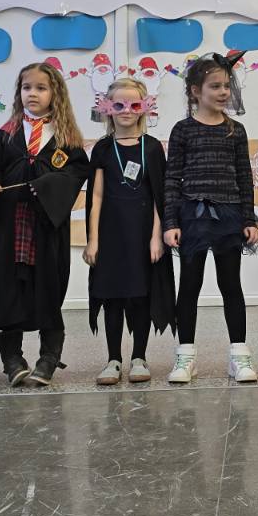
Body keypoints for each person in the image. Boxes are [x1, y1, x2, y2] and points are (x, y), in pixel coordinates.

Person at [0, 60, 90, 387]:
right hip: (12, 226)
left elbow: (76, 174)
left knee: (48, 289)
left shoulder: (66, 137)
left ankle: (49, 357)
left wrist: (46, 185)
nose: (33, 93)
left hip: (46, 228)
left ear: (55, 93)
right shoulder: (7, 133)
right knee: (9, 291)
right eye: (27, 87)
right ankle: (12, 359)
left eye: (41, 88)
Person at [162, 53, 258, 384]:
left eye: (226, 86)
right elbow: (172, 179)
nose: (223, 92)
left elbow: (245, 177)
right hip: (192, 216)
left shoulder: (236, 131)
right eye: (215, 86)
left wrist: (249, 219)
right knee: (189, 285)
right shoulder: (182, 130)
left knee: (230, 284)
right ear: (195, 91)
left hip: (229, 217)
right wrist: (171, 222)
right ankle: (185, 355)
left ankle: (239, 355)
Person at [85, 76, 175, 384]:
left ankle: (139, 357)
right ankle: (113, 359)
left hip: (142, 236)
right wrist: (93, 240)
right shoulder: (102, 148)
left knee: (140, 296)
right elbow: (96, 197)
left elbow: (158, 196)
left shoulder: (152, 148)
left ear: (144, 108)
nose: (126, 110)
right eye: (119, 105)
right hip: (111, 235)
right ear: (107, 108)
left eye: (134, 105)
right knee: (112, 297)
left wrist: (156, 237)